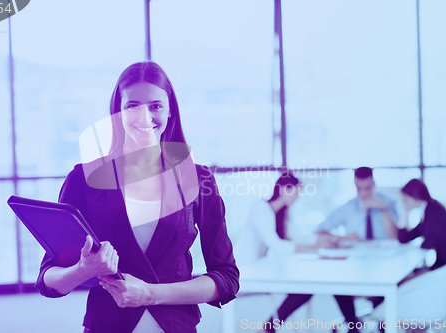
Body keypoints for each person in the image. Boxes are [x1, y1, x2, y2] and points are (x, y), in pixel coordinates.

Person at [34, 61, 239, 333]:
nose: (144, 117)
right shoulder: (84, 179)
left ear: (170, 112)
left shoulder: (197, 179)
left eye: (155, 106)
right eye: (132, 106)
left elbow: (226, 279)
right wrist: (83, 269)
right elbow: (48, 280)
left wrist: (150, 294)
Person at [256, 167, 398, 333]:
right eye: (296, 193)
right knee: (328, 282)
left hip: (381, 265)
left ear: (373, 184)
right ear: (283, 189)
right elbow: (278, 245)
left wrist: (333, 239)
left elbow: (301, 237)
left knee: (321, 284)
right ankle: (269, 328)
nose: (297, 198)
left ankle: (269, 328)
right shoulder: (261, 208)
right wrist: (321, 244)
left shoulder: (281, 215)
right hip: (252, 269)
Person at [399, 178, 446, 271]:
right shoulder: (427, 211)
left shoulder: (434, 210)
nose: (404, 204)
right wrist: (405, 212)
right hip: (443, 265)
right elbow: (404, 238)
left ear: (416, 196)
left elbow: (428, 243)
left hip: (445, 267)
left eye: (406, 200)